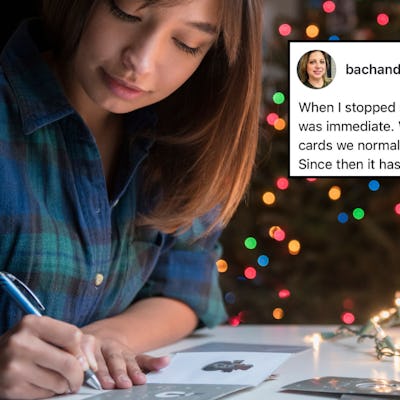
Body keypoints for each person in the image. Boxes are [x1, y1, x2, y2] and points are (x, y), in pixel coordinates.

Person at [0, 0, 263, 398]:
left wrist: (105, 339)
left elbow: (185, 288)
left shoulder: (184, 135)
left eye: (187, 43)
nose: (140, 62)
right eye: (126, 14)